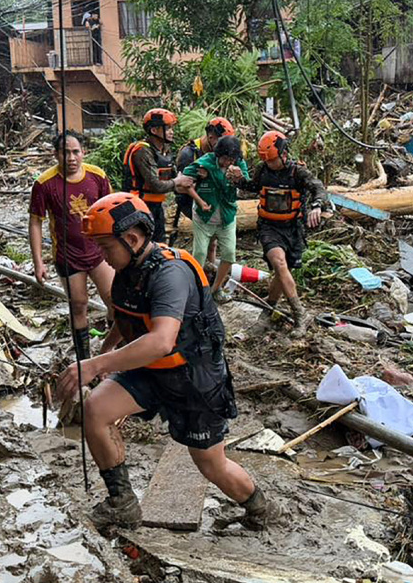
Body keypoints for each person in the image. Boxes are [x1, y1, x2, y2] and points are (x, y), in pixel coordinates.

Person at [56, 192, 280, 530]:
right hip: (150, 371)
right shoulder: (128, 267)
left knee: (210, 464)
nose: (100, 256)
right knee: (96, 410)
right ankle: (122, 503)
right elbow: (127, 315)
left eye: (105, 248)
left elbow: (162, 340)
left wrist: (97, 365)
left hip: (193, 378)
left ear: (131, 238)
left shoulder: (170, 273)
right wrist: (107, 351)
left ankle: (261, 509)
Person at [29, 131, 115, 360]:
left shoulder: (97, 176)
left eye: (75, 152)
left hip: (99, 252)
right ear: (56, 154)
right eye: (65, 153)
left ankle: (112, 353)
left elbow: (113, 211)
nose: (71, 157)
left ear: (83, 152)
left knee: (115, 301)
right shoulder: (44, 184)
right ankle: (84, 361)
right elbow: (36, 223)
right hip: (68, 256)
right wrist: (38, 262)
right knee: (78, 305)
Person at [234, 131, 327, 334]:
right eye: (267, 161)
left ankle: (270, 307)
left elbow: (318, 188)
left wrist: (317, 206)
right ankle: (299, 313)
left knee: (283, 271)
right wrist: (238, 180)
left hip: (293, 228)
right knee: (279, 263)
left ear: (284, 154)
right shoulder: (263, 170)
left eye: (273, 160)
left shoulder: (297, 173)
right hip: (269, 227)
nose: (271, 164)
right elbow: (253, 186)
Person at [176, 136, 248, 301]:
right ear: (218, 155)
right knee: (199, 254)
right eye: (224, 159)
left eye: (231, 159)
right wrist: (199, 199)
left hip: (227, 217)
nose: (227, 162)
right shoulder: (205, 162)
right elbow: (183, 182)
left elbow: (249, 185)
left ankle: (215, 290)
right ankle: (193, 291)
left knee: (229, 255)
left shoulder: (239, 165)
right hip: (204, 218)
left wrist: (240, 178)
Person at [172, 117, 234, 262]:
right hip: (189, 200)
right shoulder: (189, 154)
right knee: (208, 237)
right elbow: (180, 187)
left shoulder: (217, 154)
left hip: (209, 196)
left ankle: (210, 264)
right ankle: (200, 268)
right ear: (211, 137)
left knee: (213, 241)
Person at [121, 108, 177, 243]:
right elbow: (155, 184)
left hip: (156, 206)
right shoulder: (143, 151)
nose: (172, 132)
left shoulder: (164, 150)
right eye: (168, 128)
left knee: (159, 243)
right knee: (144, 244)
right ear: (154, 130)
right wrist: (177, 182)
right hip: (140, 206)